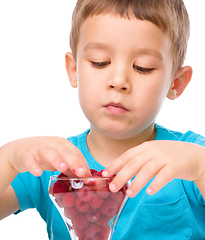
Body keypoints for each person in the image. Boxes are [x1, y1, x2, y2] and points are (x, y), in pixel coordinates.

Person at [0, 0, 205, 239]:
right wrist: (8, 158)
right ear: (74, 70)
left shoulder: (190, 158)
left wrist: (200, 167)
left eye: (143, 67)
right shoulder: (50, 165)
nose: (118, 81)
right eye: (100, 62)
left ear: (176, 83)